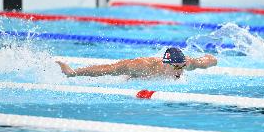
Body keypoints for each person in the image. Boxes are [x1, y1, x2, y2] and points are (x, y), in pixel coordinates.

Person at [56, 47, 217, 80]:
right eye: (176, 67)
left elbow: (205, 62)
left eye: (182, 67)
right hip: (132, 79)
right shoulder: (143, 66)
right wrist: (75, 73)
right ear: (166, 63)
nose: (180, 72)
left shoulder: (186, 63)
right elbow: (107, 69)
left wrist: (212, 59)